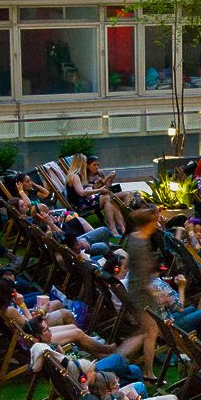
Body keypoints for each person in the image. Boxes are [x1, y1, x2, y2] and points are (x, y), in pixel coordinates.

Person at [116, 206, 161, 382]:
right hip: (142, 294)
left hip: (134, 289)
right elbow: (144, 279)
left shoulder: (133, 237)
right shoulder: (142, 244)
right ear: (149, 223)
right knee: (150, 332)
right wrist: (157, 294)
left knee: (144, 331)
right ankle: (147, 372)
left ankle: (121, 361)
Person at [65, 155, 125, 236]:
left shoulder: (76, 175)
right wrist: (99, 190)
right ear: (82, 163)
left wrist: (95, 187)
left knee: (109, 197)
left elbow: (87, 189)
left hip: (83, 201)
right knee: (107, 198)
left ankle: (120, 227)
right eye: (85, 162)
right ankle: (114, 228)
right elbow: (81, 193)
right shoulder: (75, 176)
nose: (86, 164)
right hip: (79, 205)